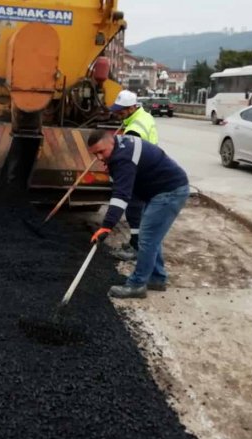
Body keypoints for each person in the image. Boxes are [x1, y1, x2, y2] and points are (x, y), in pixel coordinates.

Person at [87, 129, 190, 299]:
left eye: (101, 152)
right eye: (95, 154)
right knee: (151, 238)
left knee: (147, 239)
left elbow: (121, 195)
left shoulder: (123, 158)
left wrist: (106, 226)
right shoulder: (119, 147)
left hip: (169, 192)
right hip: (158, 190)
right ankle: (157, 278)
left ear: (111, 142)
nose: (99, 158)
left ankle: (137, 285)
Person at [109, 90, 160, 261]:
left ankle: (137, 248)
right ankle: (135, 243)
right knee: (140, 211)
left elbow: (128, 157)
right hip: (148, 167)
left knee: (134, 211)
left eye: (121, 110)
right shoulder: (143, 116)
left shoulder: (135, 129)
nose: (118, 113)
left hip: (141, 172)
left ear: (131, 108)